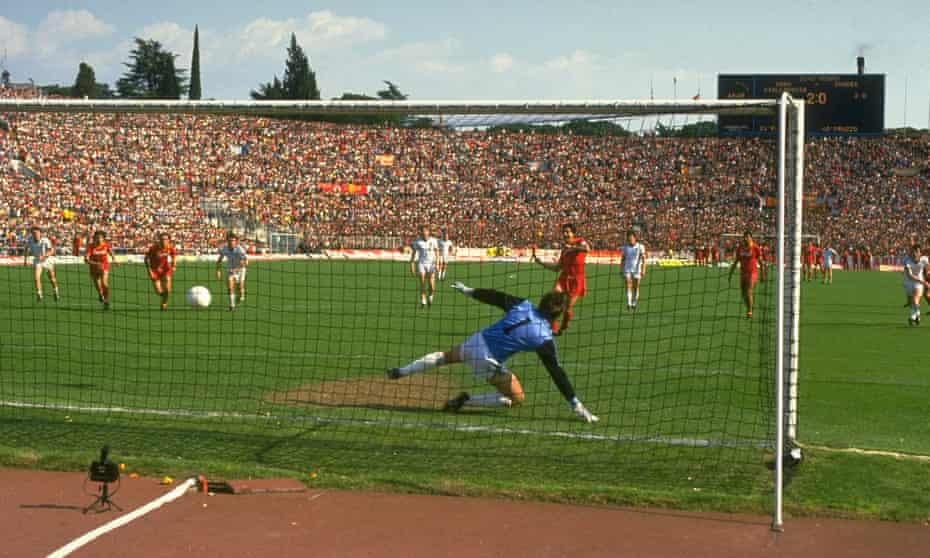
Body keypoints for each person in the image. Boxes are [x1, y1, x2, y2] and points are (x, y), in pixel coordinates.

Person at [387, 282, 599, 423]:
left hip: (478, 340)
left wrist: (468, 291)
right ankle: (466, 400)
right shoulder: (544, 337)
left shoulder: (523, 305)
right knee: (517, 397)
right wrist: (575, 404)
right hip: (487, 359)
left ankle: (402, 371)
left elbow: (496, 297)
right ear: (558, 314)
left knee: (444, 357)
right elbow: (556, 372)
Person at [532, 223, 589, 335]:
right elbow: (557, 268)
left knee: (567, 308)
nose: (565, 234)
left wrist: (572, 248)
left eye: (568, 232)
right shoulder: (564, 250)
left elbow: (587, 248)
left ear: (573, 233)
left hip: (577, 280)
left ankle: (563, 328)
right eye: (564, 232)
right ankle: (553, 328)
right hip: (564, 278)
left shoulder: (580, 241)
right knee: (552, 300)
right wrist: (541, 262)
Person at [729, 231, 766, 319]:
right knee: (743, 293)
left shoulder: (755, 248)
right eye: (744, 237)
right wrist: (731, 273)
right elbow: (736, 261)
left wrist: (763, 274)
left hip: (752, 273)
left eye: (747, 237)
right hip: (743, 273)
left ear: (751, 238)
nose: (745, 239)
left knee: (749, 291)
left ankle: (749, 311)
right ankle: (748, 307)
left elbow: (761, 262)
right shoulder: (740, 248)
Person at [23, 226, 59, 302]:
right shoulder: (30, 240)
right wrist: (25, 260)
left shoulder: (45, 240)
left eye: (36, 233)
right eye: (33, 233)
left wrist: (44, 255)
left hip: (47, 260)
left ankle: (55, 290)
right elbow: (26, 249)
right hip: (37, 261)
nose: (35, 234)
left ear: (40, 233)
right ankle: (39, 294)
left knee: (52, 279)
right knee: (36, 278)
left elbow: (51, 251)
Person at [216, 232, 249, 311]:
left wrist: (237, 269)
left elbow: (246, 262)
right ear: (227, 241)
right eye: (230, 241)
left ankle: (241, 294)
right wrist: (218, 271)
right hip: (230, 269)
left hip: (241, 269)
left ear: (236, 241)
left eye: (233, 241)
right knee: (230, 288)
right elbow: (219, 260)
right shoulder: (224, 248)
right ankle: (232, 305)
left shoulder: (240, 249)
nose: (231, 242)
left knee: (240, 288)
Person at [84, 230, 117, 309]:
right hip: (94, 267)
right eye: (97, 238)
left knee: (104, 283)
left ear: (103, 238)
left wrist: (114, 259)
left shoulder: (106, 245)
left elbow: (111, 252)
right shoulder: (91, 246)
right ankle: (100, 294)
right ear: (94, 238)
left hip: (104, 265)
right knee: (98, 286)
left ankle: (106, 300)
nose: (99, 239)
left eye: (100, 238)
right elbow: (86, 260)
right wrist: (95, 264)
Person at [145, 233, 177, 311]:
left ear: (169, 240)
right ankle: (163, 299)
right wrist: (149, 271)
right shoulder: (153, 248)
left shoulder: (170, 247)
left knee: (167, 289)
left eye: (165, 239)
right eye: (162, 239)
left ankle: (164, 304)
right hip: (154, 270)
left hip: (165, 269)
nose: (164, 241)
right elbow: (146, 259)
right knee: (159, 292)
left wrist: (173, 266)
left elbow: (173, 257)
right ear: (159, 240)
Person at [409, 225, 439, 308]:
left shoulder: (434, 241)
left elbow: (437, 252)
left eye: (425, 231)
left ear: (428, 232)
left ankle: (430, 296)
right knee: (422, 282)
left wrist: (437, 263)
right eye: (422, 231)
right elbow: (413, 253)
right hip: (421, 263)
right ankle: (423, 301)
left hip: (431, 263)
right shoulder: (417, 242)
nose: (424, 232)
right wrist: (412, 264)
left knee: (431, 286)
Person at [901, 244, 929, 326]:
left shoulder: (924, 259)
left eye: (917, 251)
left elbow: (928, 269)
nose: (914, 253)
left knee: (915, 299)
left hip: (919, 282)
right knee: (911, 302)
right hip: (909, 281)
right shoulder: (907, 260)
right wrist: (923, 282)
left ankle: (912, 317)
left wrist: (927, 274)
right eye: (913, 251)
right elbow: (910, 275)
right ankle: (917, 314)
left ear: (920, 253)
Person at [619, 230, 646, 312]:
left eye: (631, 237)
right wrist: (621, 269)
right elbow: (623, 259)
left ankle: (634, 303)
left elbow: (644, 259)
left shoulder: (640, 247)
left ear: (635, 238)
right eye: (628, 237)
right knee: (628, 285)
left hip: (637, 269)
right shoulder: (625, 247)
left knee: (636, 287)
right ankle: (629, 303)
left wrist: (643, 269)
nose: (630, 239)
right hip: (627, 269)